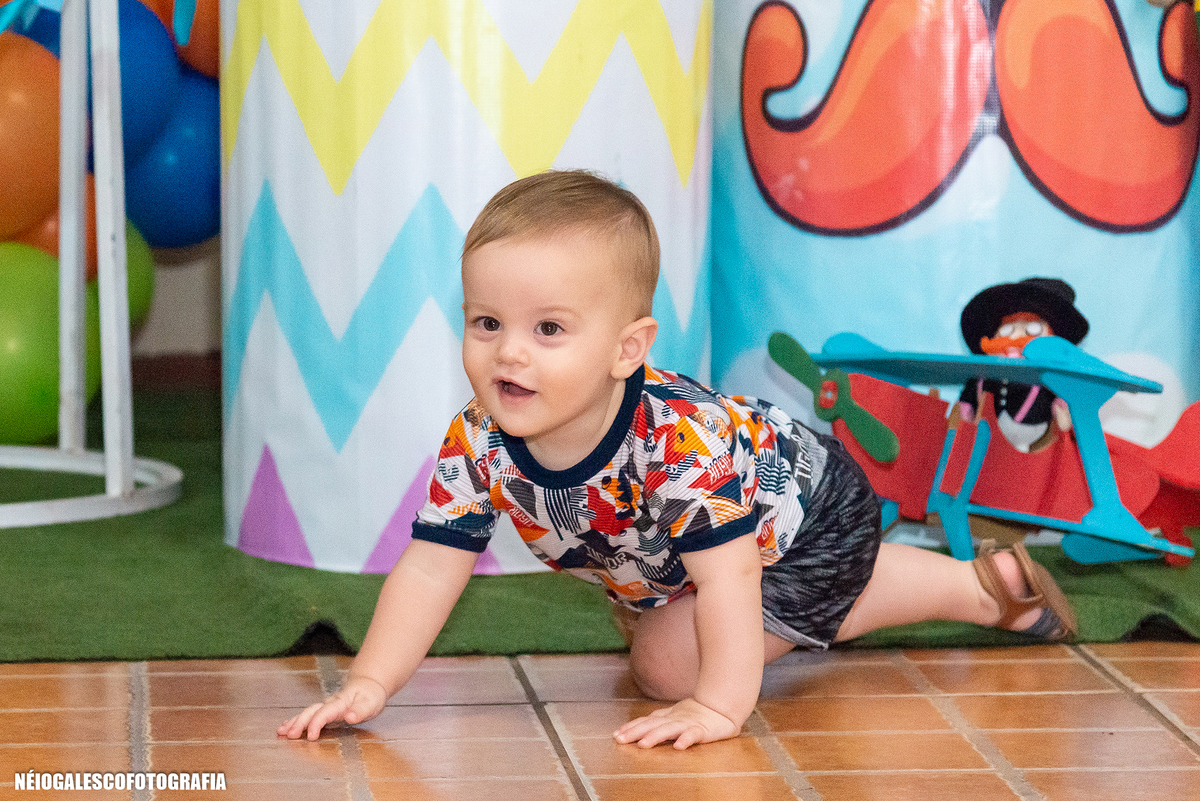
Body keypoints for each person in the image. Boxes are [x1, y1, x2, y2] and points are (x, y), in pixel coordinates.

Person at [278, 170, 1077, 751]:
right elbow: (429, 567)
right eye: (486, 322)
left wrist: (720, 705)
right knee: (674, 613)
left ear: (629, 349)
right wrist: (370, 681)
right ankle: (980, 581)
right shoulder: (479, 438)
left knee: (665, 664)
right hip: (732, 541)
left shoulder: (672, 443)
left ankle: (967, 593)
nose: (508, 352)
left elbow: (728, 576)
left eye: (548, 329)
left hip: (812, 518)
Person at [956, 278, 1090, 451]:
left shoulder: (1047, 374)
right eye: (1007, 329)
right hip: (983, 437)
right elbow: (970, 393)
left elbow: (1062, 392)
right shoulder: (986, 372)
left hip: (1029, 436)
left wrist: (1063, 408)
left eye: (1032, 329)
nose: (1016, 337)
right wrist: (965, 409)